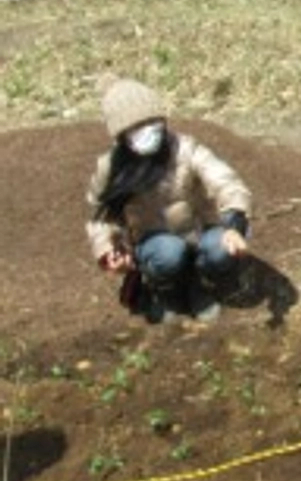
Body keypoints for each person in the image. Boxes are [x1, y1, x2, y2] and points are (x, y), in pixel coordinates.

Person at [86, 77, 253, 323]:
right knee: (169, 252)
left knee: (221, 249)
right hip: (154, 244)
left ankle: (201, 281)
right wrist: (108, 250)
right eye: (137, 126)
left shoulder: (186, 149)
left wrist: (234, 224)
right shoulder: (111, 168)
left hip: (198, 231)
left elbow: (226, 182)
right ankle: (164, 289)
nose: (148, 130)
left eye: (152, 121)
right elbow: (99, 216)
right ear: (122, 135)